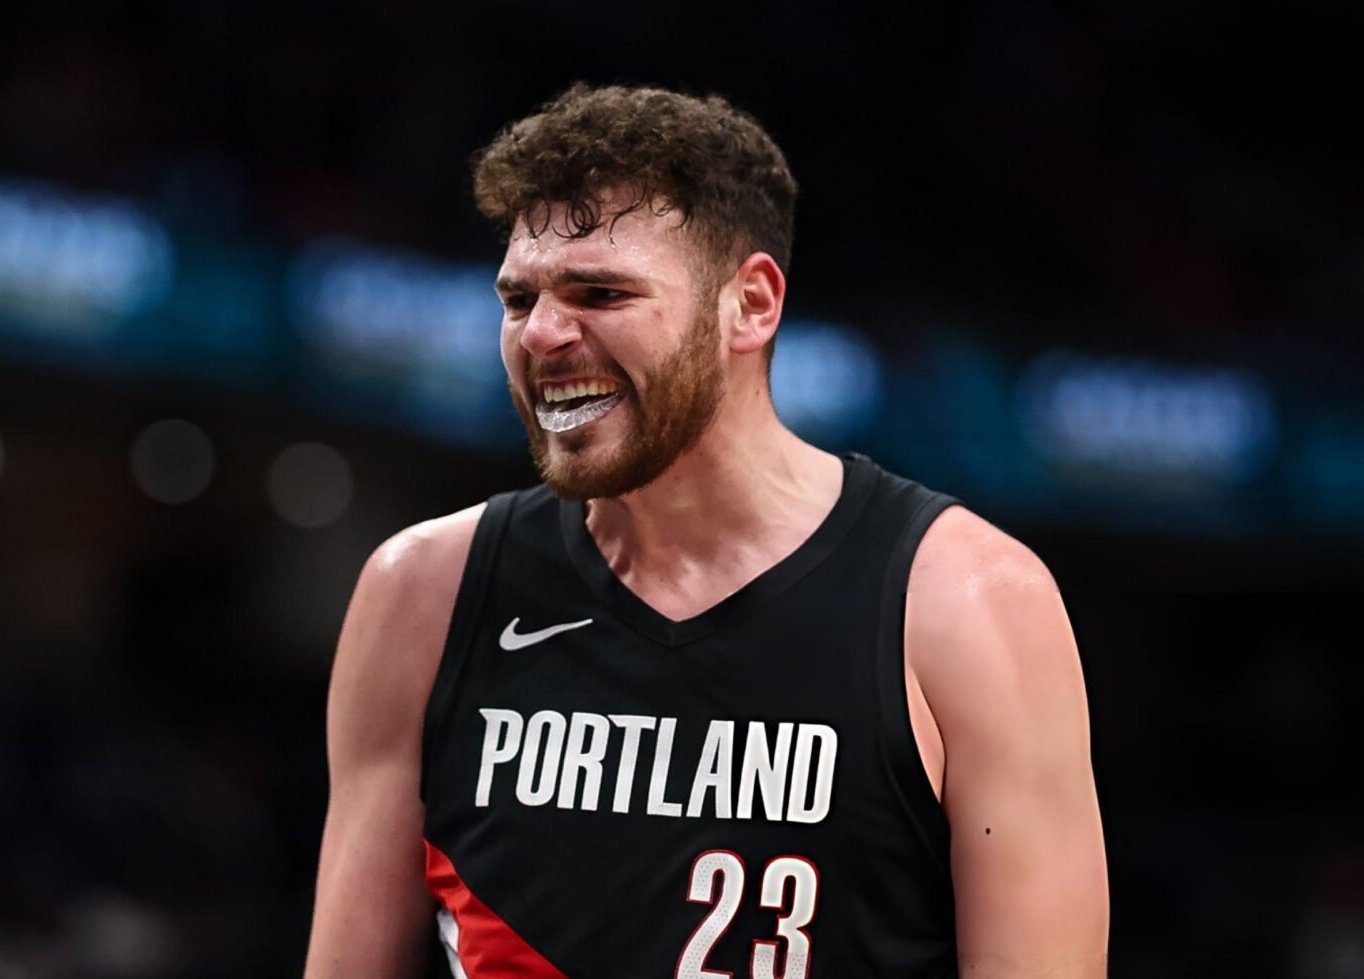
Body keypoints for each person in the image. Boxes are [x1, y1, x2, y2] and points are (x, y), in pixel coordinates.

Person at [303, 83, 1108, 978]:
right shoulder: (421, 590)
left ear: (752, 305)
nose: (541, 334)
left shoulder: (970, 604)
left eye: (599, 291)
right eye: (517, 298)